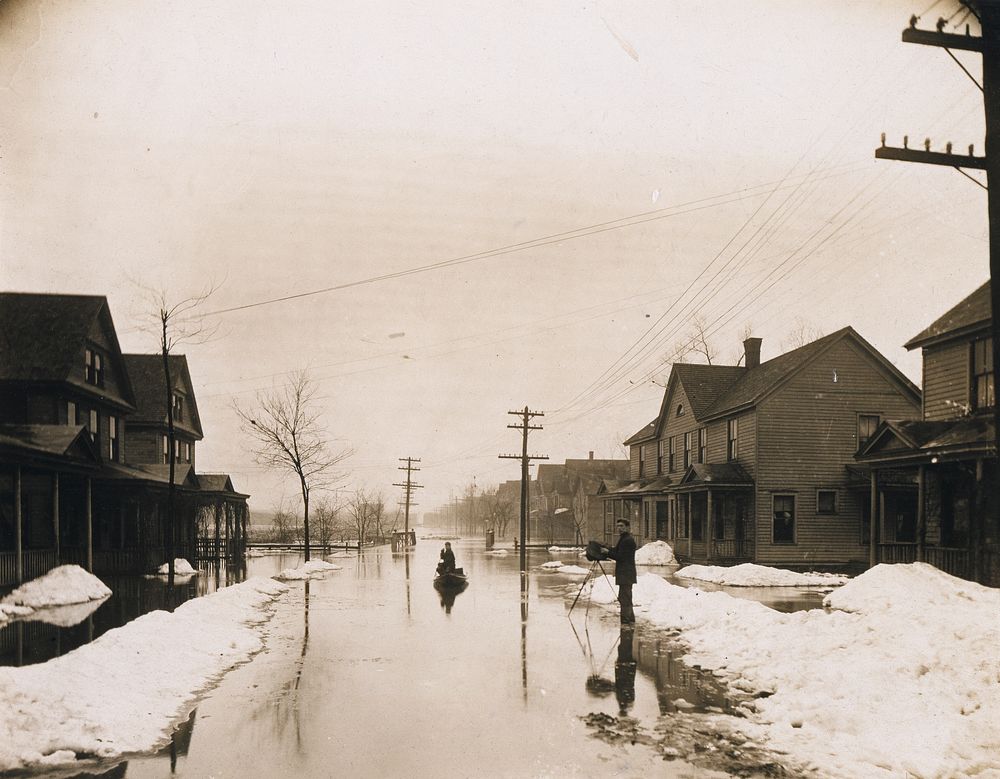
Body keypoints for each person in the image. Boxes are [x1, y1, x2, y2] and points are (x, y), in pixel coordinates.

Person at [602, 519, 637, 625]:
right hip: (625, 574)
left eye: (621, 526)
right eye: (617, 526)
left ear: (627, 527)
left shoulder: (628, 540)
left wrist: (608, 552)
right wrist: (608, 549)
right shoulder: (624, 539)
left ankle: (626, 622)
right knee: (625, 597)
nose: (619, 528)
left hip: (626, 574)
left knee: (625, 598)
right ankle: (629, 620)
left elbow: (621, 557)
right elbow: (617, 551)